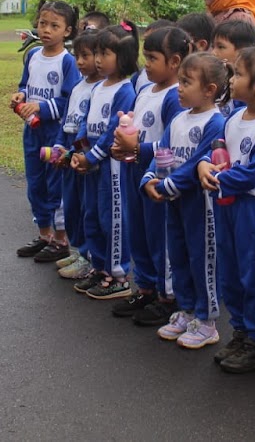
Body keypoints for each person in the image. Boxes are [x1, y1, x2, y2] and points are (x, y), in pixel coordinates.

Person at [197, 47, 255, 373]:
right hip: (226, 204)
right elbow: (218, 149)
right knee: (231, 270)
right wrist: (205, 166)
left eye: (238, 74)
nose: (231, 79)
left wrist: (220, 178)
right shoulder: (234, 116)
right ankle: (240, 330)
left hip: (254, 208)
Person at [142, 53, 228, 347]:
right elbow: (162, 153)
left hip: (200, 204)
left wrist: (166, 184)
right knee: (177, 254)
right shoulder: (178, 118)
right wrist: (148, 179)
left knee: (201, 258)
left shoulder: (216, 123)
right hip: (174, 200)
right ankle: (187, 308)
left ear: (210, 90)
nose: (179, 88)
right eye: (180, 81)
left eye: (187, 82)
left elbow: (197, 164)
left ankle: (206, 319)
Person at [110, 27, 187, 323]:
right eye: (146, 58)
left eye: (153, 58)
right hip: (134, 172)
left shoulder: (174, 97)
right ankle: (145, 287)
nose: (147, 65)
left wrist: (139, 148)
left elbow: (173, 144)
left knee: (159, 236)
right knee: (138, 232)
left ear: (175, 61)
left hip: (157, 177)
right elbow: (134, 128)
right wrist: (123, 145)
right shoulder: (144, 90)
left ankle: (167, 295)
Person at [71, 22, 139, 299]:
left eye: (105, 54)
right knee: (92, 215)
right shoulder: (98, 86)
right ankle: (100, 267)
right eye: (96, 53)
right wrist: (79, 150)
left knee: (112, 218)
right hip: (91, 162)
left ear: (122, 57)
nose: (98, 60)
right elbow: (87, 122)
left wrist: (93, 156)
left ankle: (118, 275)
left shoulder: (125, 90)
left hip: (110, 165)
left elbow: (114, 129)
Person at [11, 0, 81, 261]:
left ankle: (61, 240)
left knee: (56, 185)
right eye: (42, 23)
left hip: (56, 134)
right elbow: (25, 85)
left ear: (68, 31)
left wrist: (40, 107)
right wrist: (20, 97)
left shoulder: (68, 62)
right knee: (35, 183)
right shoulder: (31, 55)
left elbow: (69, 100)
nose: (46, 30)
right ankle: (44, 235)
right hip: (33, 131)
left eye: (54, 25)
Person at [51, 31, 103, 279]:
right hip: (70, 154)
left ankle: (89, 257)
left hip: (86, 157)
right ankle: (79, 249)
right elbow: (66, 122)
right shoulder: (77, 87)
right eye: (77, 56)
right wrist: (60, 146)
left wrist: (77, 151)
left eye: (86, 56)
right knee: (71, 206)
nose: (80, 61)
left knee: (88, 209)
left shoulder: (102, 89)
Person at [211, 20, 255, 119]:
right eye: (213, 46)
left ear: (242, 52)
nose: (213, 53)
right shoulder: (215, 79)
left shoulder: (246, 86)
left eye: (220, 47)